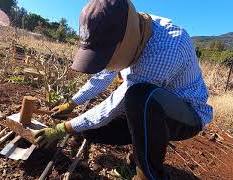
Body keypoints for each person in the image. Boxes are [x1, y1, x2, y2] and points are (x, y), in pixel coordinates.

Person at [34, 0, 213, 179]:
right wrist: (72, 103)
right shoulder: (125, 27)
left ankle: (149, 175)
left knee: (140, 97)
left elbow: (116, 103)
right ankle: (142, 149)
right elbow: (104, 75)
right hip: (150, 107)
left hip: (187, 115)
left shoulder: (167, 47)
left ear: (126, 41)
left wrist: (63, 128)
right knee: (91, 130)